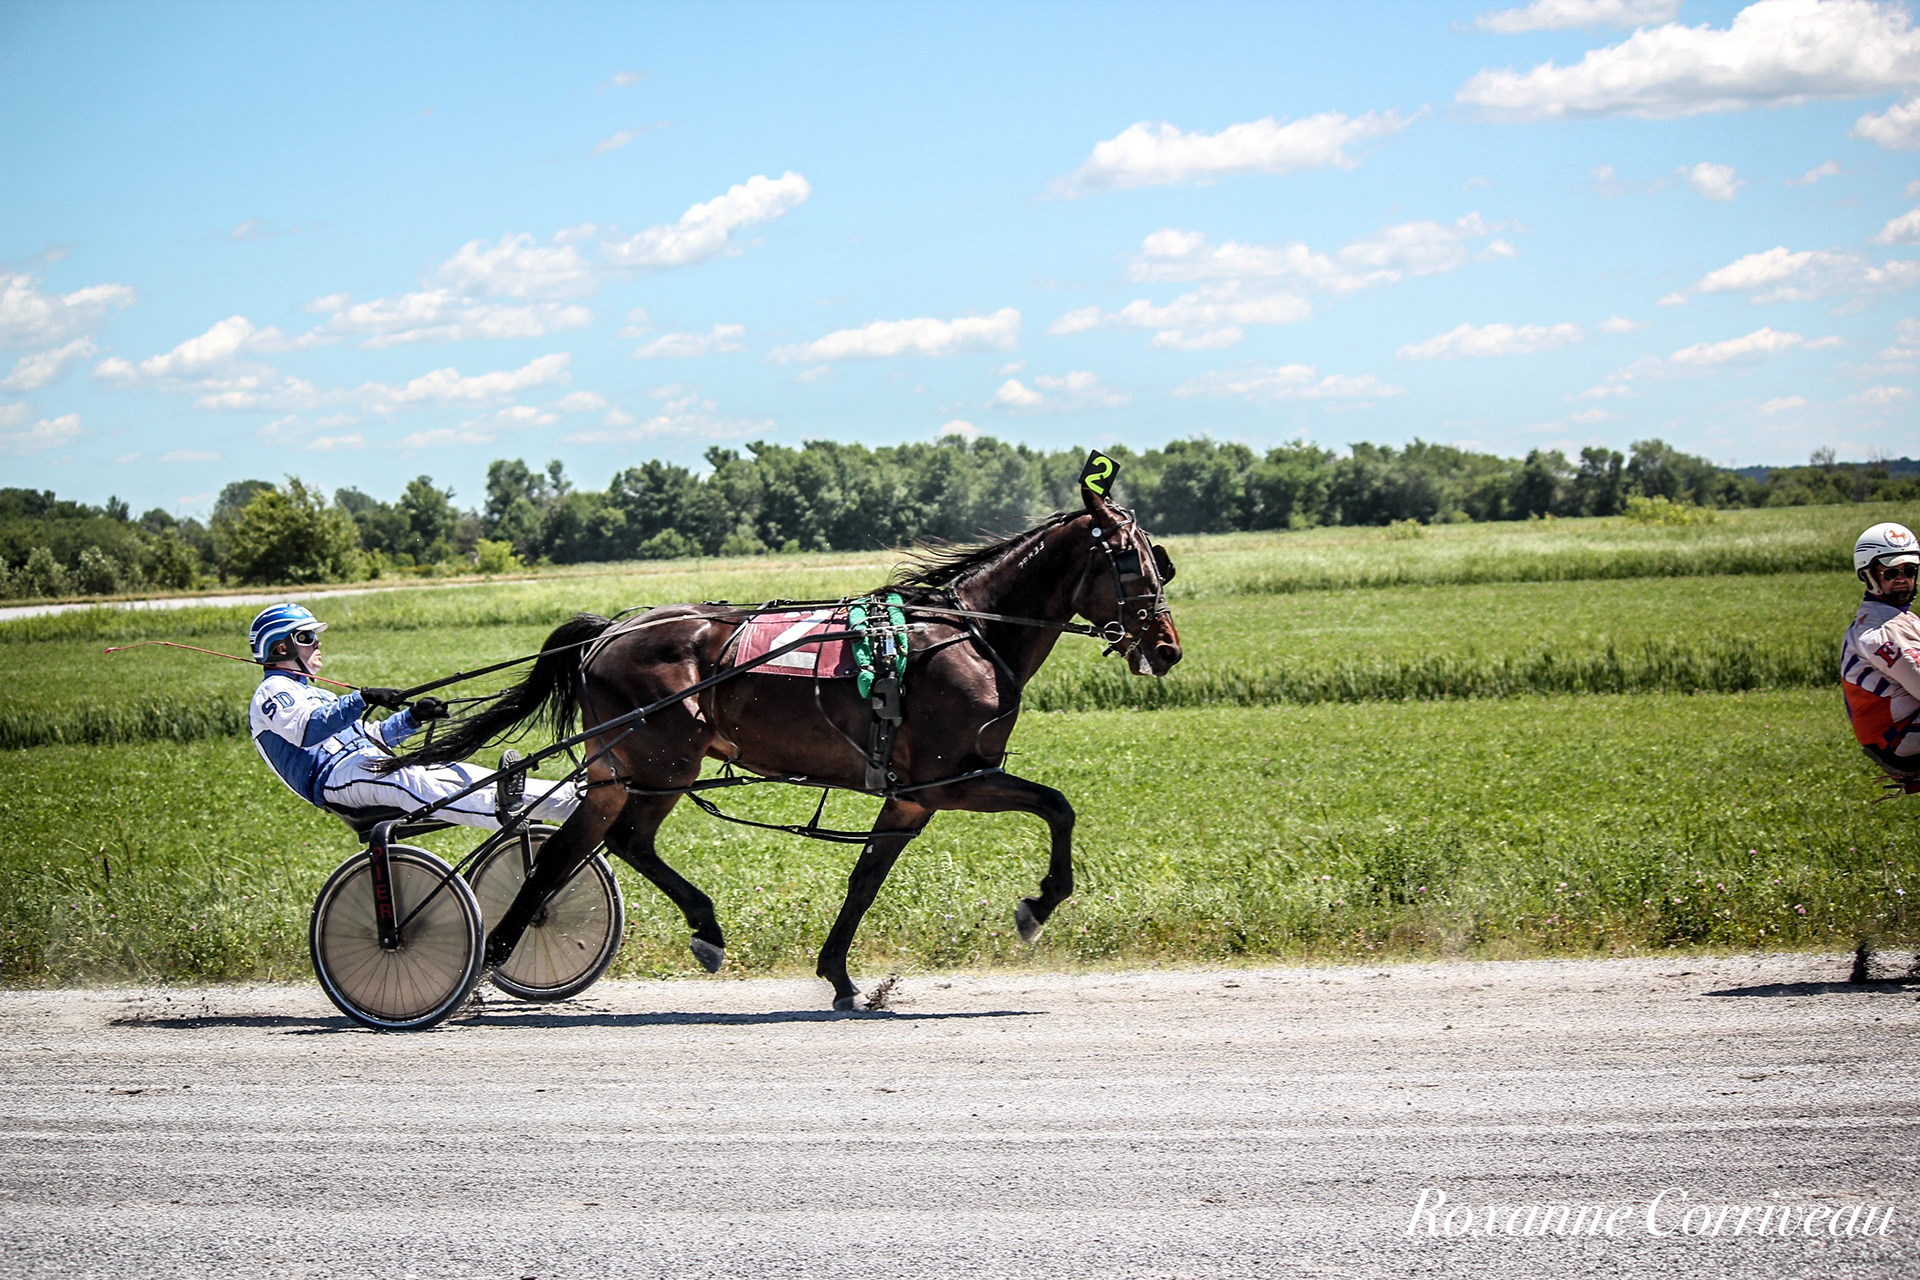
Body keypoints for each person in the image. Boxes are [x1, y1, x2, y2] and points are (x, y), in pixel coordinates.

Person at [247, 602, 578, 829]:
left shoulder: (317, 693)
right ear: (280, 648)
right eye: (306, 637)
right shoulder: (273, 692)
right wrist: (360, 698)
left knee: (457, 772)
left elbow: (371, 737)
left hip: (361, 762)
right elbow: (307, 730)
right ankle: (499, 814)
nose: (317, 643)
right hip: (331, 779)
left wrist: (413, 718)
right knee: (405, 781)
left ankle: (571, 801)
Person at [1841, 522, 1920, 784]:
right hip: (1899, 738)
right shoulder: (1881, 630)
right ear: (1868, 576)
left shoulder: (1899, 619)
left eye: (1909, 570)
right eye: (1890, 572)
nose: (1902, 579)